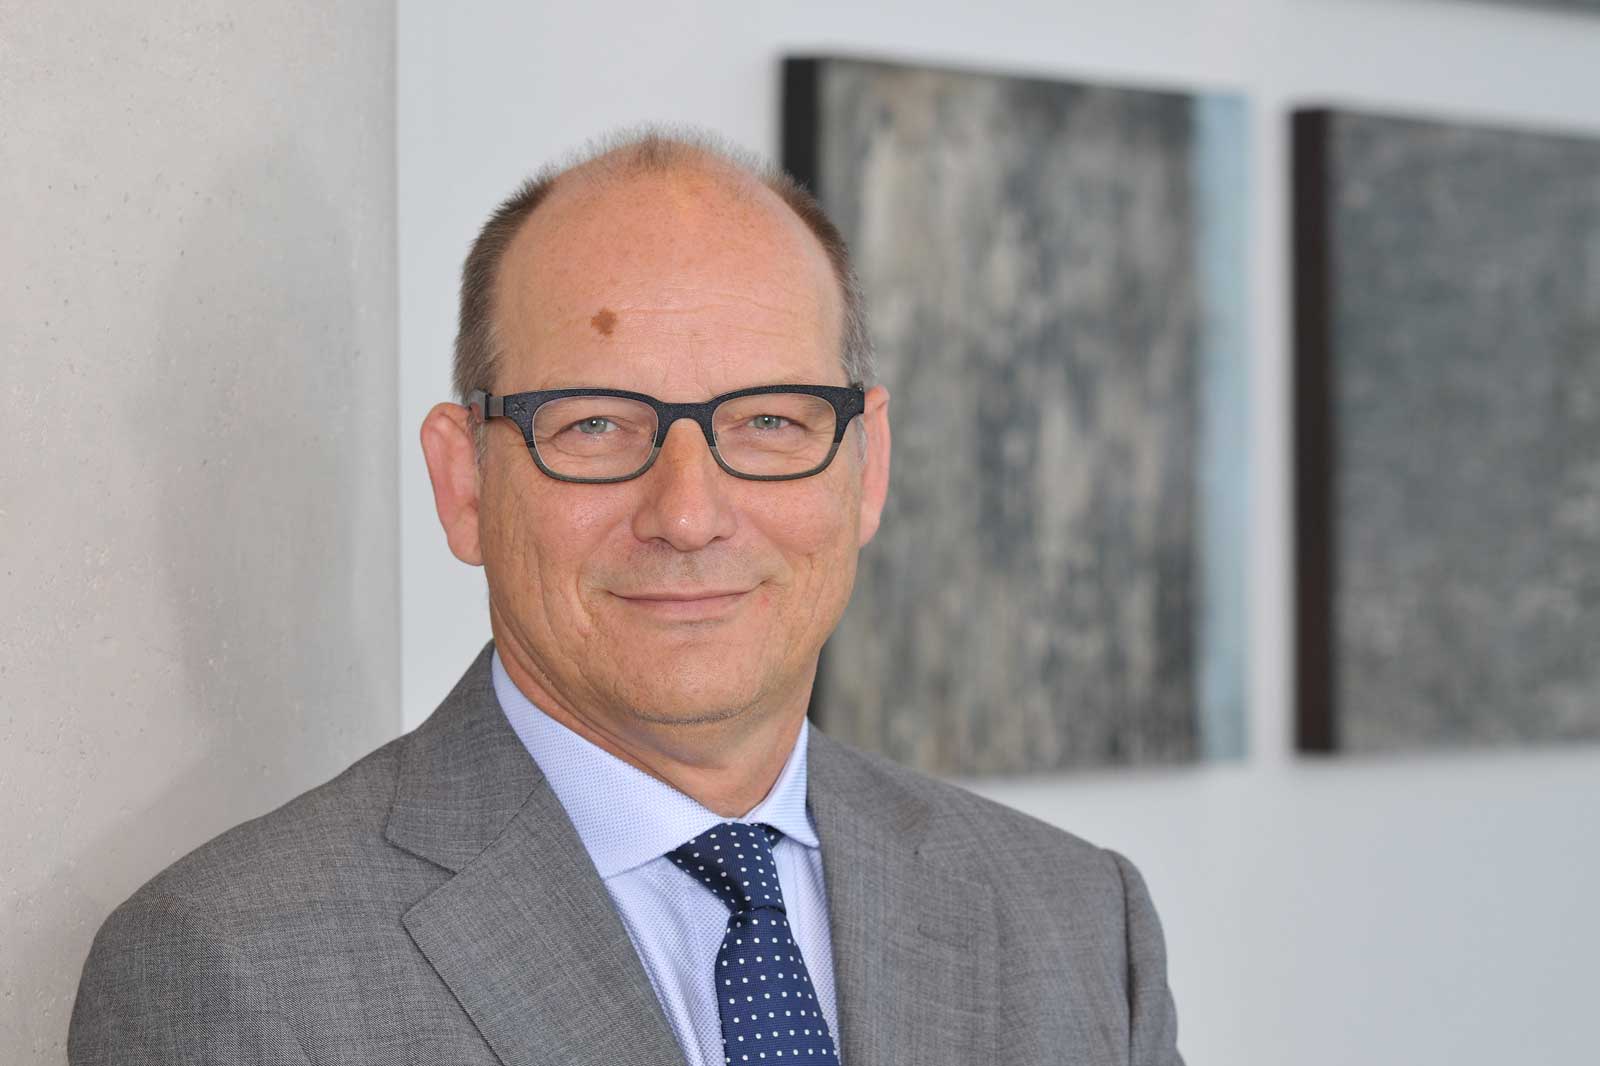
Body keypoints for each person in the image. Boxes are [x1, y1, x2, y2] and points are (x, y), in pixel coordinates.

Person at [68, 130, 1184, 1066]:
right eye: (595, 424)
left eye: (770, 421)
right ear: (465, 483)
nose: (688, 512)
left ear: (867, 469)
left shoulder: (1079, 923)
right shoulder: (232, 967)